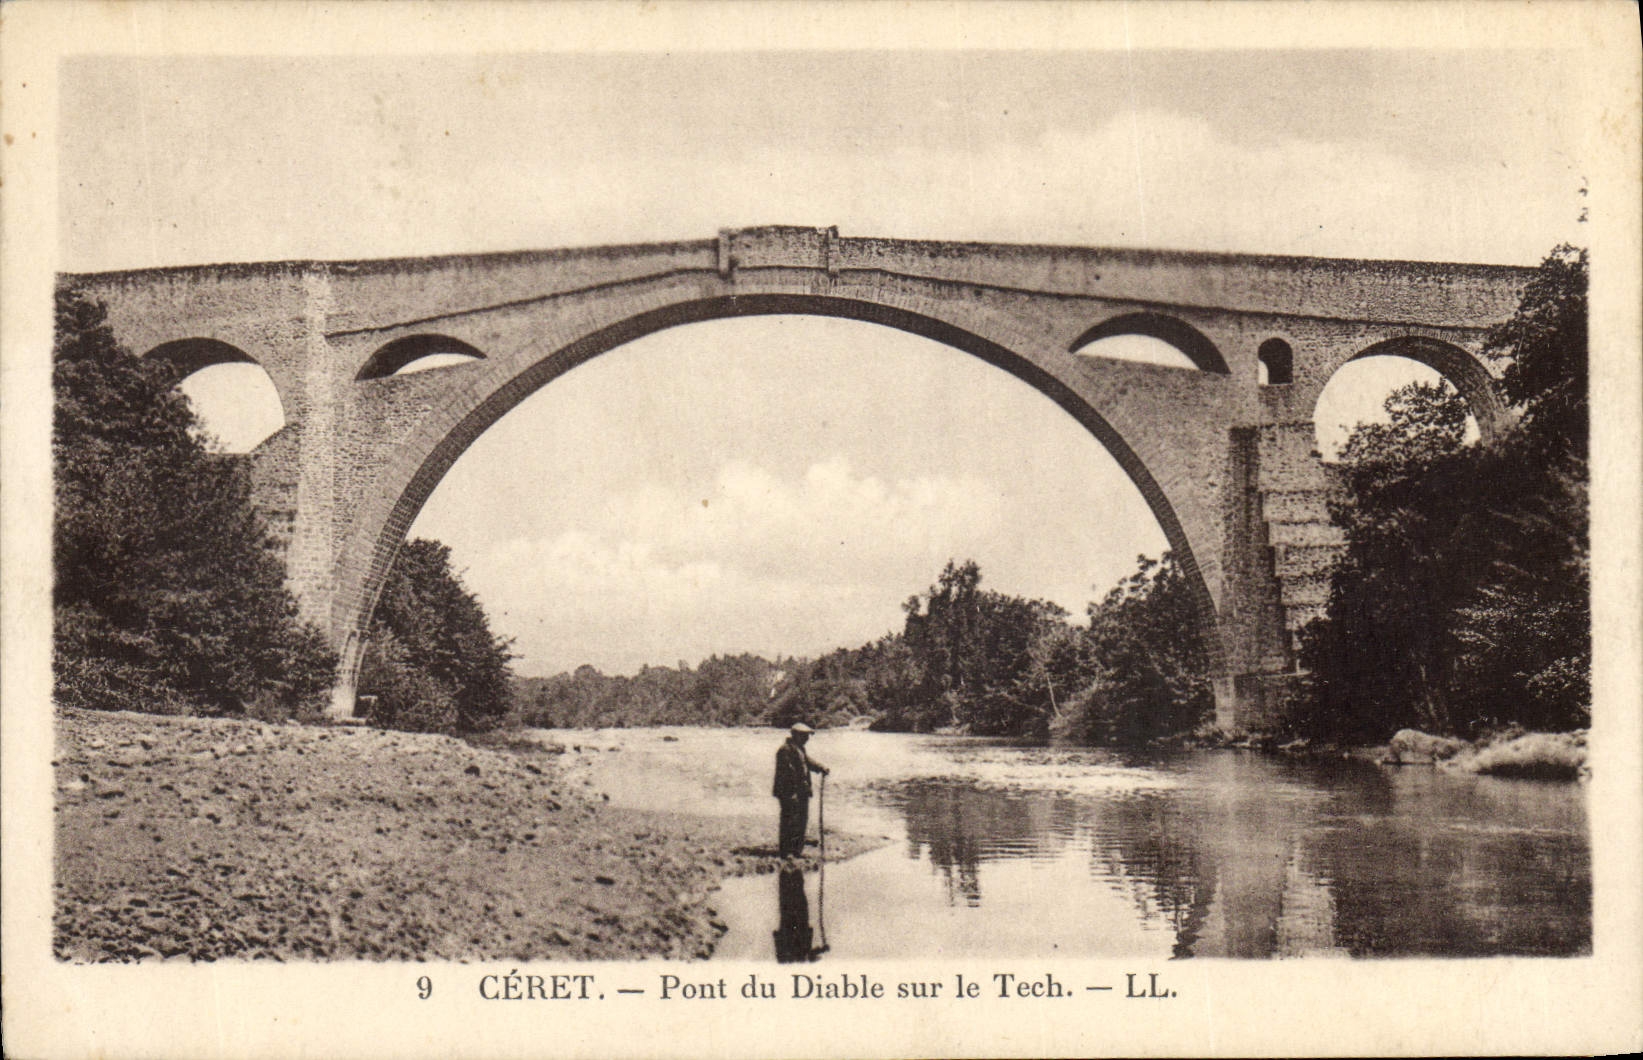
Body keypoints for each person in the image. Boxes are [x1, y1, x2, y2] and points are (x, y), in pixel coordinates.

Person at [772, 722, 829, 859]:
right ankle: (787, 851)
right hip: (789, 792)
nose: (807, 738)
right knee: (790, 820)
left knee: (802, 820)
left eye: (807, 736)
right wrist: (798, 788)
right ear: (795, 735)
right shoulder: (785, 750)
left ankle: (797, 849)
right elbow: (789, 773)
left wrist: (821, 767)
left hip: (801, 791)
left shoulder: (800, 749)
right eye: (804, 735)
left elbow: (808, 762)